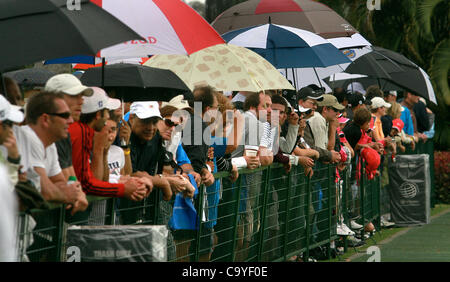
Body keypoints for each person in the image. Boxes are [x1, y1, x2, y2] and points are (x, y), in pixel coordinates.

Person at [15, 91, 88, 215]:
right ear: (45, 119)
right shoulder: (27, 137)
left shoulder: (50, 144)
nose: (70, 121)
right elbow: (46, 191)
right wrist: (68, 195)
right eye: (65, 115)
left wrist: (70, 192)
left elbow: (59, 181)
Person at [44, 73, 94, 182]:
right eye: (74, 96)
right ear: (54, 98)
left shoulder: (63, 132)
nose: (81, 101)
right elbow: (64, 182)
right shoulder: (39, 133)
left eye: (81, 96)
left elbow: (71, 178)